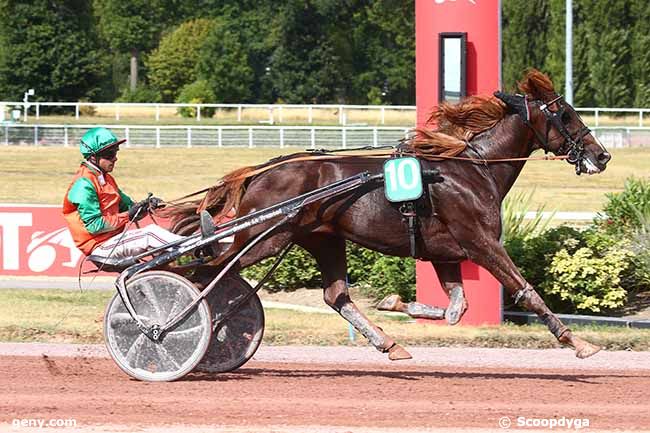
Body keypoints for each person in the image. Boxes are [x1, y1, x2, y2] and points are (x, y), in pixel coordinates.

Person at [62, 127, 214, 266]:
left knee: (158, 236)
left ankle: (193, 252)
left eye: (116, 152)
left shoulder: (106, 179)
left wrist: (146, 205)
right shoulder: (83, 185)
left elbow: (129, 207)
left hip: (112, 241)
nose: (115, 158)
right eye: (110, 154)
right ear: (93, 157)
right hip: (99, 247)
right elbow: (95, 226)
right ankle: (196, 246)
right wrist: (128, 215)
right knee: (150, 233)